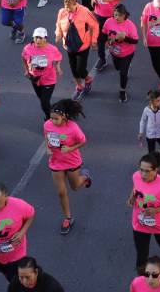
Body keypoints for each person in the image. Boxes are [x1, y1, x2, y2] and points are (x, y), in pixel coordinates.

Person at [43, 99, 92, 235]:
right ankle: (68, 218)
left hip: (72, 162)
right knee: (61, 192)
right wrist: (47, 148)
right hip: (56, 162)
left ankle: (85, 176)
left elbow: (83, 141)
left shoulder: (73, 128)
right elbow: (46, 137)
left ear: (64, 116)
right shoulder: (47, 125)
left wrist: (70, 148)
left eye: (56, 119)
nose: (53, 121)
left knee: (75, 187)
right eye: (51, 118)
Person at [128, 153, 160, 274]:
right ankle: (142, 278)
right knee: (141, 255)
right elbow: (136, 186)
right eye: (141, 170)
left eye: (147, 171)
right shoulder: (136, 176)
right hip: (140, 222)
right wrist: (132, 197)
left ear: (156, 170)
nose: (143, 174)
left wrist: (156, 210)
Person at [55, 0, 100, 102]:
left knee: (80, 69)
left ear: (75, 4)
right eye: (66, 7)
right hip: (69, 46)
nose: (67, 10)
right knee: (73, 70)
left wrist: (94, 40)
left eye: (69, 8)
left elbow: (95, 25)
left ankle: (88, 79)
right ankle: (79, 87)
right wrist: (58, 34)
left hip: (83, 46)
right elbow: (58, 25)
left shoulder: (84, 11)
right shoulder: (62, 12)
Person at [22, 28, 62, 120]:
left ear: (45, 38)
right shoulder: (27, 48)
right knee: (42, 99)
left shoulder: (52, 49)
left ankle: (50, 119)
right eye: (36, 37)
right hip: (34, 78)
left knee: (44, 103)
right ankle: (54, 111)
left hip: (49, 79)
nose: (38, 40)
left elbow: (59, 57)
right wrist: (26, 70)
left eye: (40, 38)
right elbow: (23, 58)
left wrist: (58, 67)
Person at [104, 3, 140, 102]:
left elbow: (135, 41)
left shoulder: (130, 25)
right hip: (114, 52)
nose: (116, 17)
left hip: (127, 53)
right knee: (117, 67)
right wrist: (107, 41)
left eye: (119, 15)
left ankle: (122, 91)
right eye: (115, 15)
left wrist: (125, 38)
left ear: (124, 15)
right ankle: (124, 68)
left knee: (123, 73)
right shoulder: (109, 22)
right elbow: (104, 34)